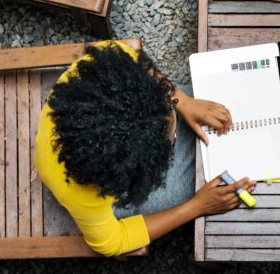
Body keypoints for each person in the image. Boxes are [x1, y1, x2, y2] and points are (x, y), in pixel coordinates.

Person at [35, 40, 255, 257]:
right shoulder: (85, 197)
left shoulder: (100, 71)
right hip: (104, 186)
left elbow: (131, 58)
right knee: (191, 182)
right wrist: (197, 207)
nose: (175, 130)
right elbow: (110, 243)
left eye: (170, 108)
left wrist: (182, 100)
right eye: (172, 137)